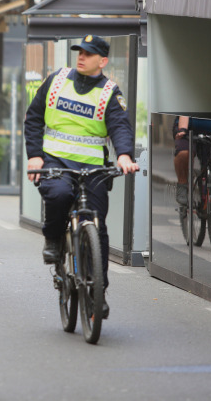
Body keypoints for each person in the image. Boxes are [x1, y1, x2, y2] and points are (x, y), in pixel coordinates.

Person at [24, 35, 139, 319]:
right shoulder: (57, 79)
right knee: (60, 196)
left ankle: (97, 292)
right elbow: (34, 117)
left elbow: (120, 126)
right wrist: (35, 155)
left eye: (88, 53)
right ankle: (52, 239)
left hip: (92, 169)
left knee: (97, 228)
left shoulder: (110, 92)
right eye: (80, 51)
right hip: (55, 161)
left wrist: (124, 154)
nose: (81, 56)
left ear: (103, 61)